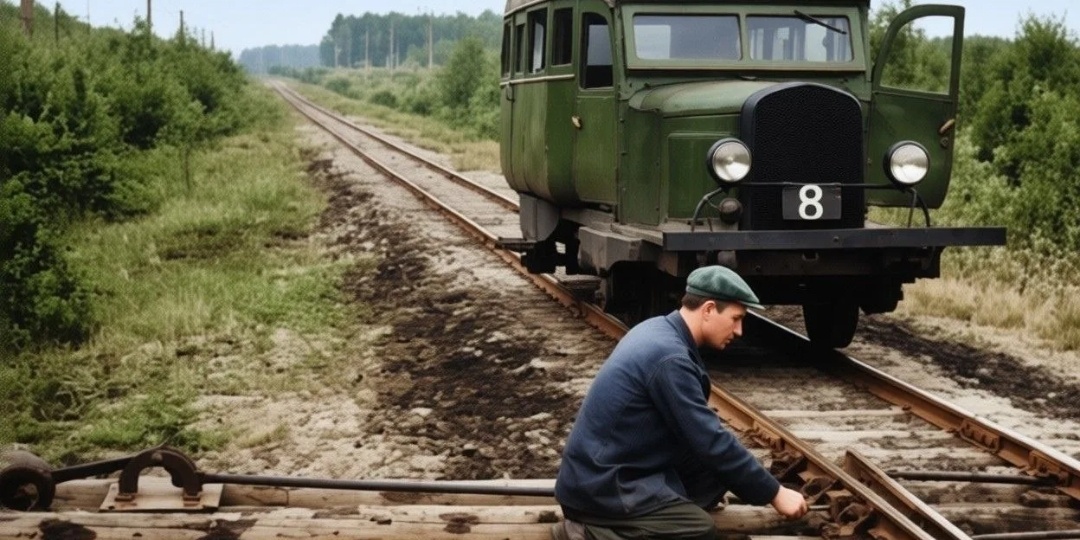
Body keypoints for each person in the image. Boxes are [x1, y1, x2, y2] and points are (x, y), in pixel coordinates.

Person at [552, 265, 808, 540]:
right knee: (698, 529)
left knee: (718, 469)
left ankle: (659, 513)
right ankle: (586, 531)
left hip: (611, 465)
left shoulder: (659, 330)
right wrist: (775, 493)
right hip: (602, 486)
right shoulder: (669, 358)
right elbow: (709, 439)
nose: (739, 330)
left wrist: (756, 484)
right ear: (709, 309)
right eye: (736, 318)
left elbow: (708, 442)